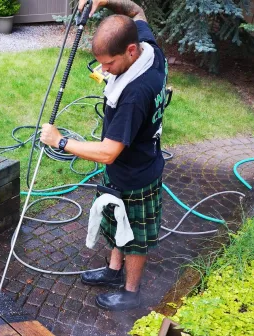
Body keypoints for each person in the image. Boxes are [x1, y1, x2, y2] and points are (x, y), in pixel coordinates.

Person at [40, 0, 168, 311]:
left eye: (108, 64)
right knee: (114, 216)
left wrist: (61, 142)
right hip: (123, 167)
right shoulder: (150, 50)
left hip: (137, 173)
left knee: (136, 235)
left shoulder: (134, 94)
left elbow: (109, 152)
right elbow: (136, 10)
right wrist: (104, 1)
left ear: (130, 52)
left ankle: (131, 291)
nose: (104, 71)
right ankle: (113, 272)